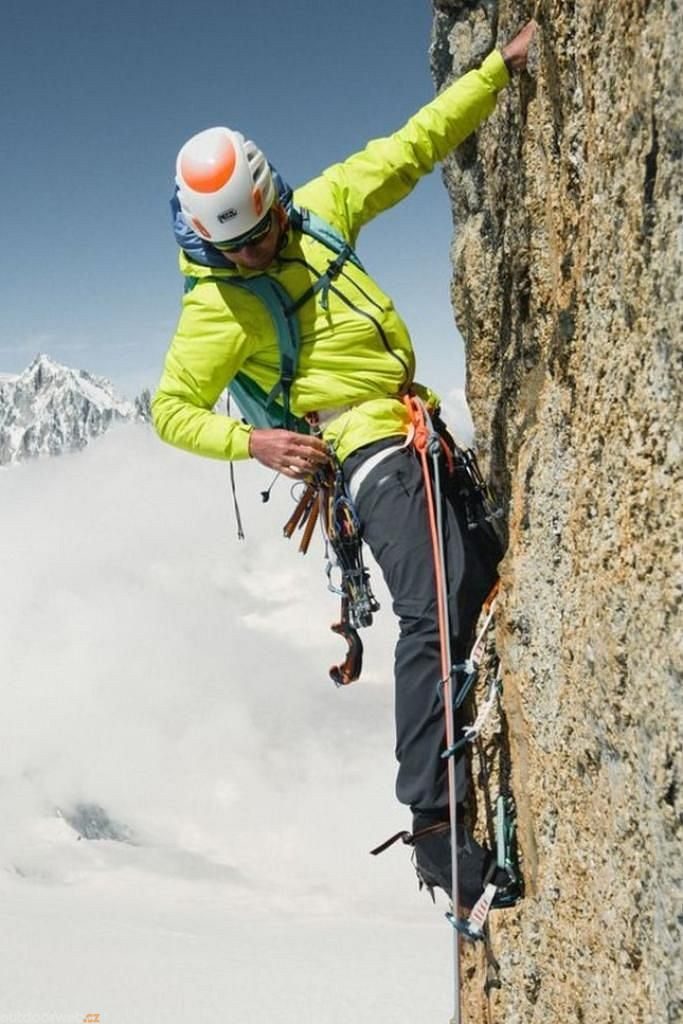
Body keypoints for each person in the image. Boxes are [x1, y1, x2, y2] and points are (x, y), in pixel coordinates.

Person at [152, 21, 537, 911]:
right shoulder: (215, 309)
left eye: (263, 231)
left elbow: (409, 149)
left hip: (415, 422)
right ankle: (435, 834)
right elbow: (168, 410)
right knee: (431, 607)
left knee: (475, 582)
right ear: (206, 239)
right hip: (364, 450)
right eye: (237, 247)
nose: (256, 251)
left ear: (275, 197)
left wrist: (495, 70)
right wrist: (252, 442)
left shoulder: (318, 211)